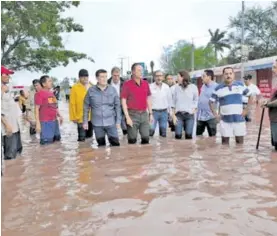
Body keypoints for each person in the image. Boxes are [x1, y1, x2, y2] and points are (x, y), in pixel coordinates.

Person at [209, 67, 252, 145]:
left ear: (233, 75)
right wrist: (216, 115)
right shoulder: (218, 88)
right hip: (225, 121)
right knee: (225, 144)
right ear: (223, 75)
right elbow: (211, 102)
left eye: (230, 73)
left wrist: (246, 110)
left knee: (240, 143)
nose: (228, 75)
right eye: (226, 74)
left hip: (239, 119)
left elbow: (251, 96)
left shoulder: (240, 85)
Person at [83, 69, 121, 147]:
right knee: (101, 146)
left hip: (111, 123)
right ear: (97, 78)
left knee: (115, 146)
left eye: (106, 77)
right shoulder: (91, 91)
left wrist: (118, 121)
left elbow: (117, 106)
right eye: (102, 77)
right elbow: (86, 106)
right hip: (97, 124)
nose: (104, 79)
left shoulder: (112, 90)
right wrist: (85, 121)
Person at [121, 63, 153, 144]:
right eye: (139, 70)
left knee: (146, 139)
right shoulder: (126, 84)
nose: (141, 72)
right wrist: (127, 117)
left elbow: (148, 99)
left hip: (144, 114)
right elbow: (123, 101)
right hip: (132, 114)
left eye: (142, 70)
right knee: (132, 140)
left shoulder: (145, 83)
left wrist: (151, 114)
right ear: (133, 72)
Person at [1, 66, 23, 160]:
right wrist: (6, 125)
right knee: (10, 155)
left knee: (17, 153)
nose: (8, 77)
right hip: (7, 126)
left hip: (15, 125)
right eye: (6, 74)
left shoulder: (8, 86)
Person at [35, 75, 63, 145]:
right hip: (45, 123)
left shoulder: (51, 94)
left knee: (57, 142)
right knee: (47, 145)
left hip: (54, 121)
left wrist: (60, 115)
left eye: (51, 81)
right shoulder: (39, 94)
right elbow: (36, 109)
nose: (51, 82)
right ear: (44, 84)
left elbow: (54, 106)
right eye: (49, 81)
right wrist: (38, 124)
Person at [172, 70, 199, 140]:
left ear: (183, 77)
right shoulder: (176, 88)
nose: (176, 78)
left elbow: (196, 100)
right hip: (178, 115)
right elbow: (173, 102)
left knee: (188, 135)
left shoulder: (193, 87)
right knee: (178, 135)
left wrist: (194, 109)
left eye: (178, 77)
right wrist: (173, 116)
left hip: (189, 115)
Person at [69, 69, 93, 142]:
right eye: (83, 77)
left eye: (86, 76)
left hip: (91, 117)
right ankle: (81, 152)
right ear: (79, 78)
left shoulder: (91, 86)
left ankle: (90, 152)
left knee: (90, 137)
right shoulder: (75, 88)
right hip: (80, 117)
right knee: (82, 139)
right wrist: (73, 117)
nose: (85, 78)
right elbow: (72, 103)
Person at [149, 70, 172, 137]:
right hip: (153, 113)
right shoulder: (150, 87)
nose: (159, 78)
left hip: (164, 113)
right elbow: (147, 101)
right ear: (154, 77)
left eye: (160, 76)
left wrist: (170, 113)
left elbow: (169, 101)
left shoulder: (166, 87)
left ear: (163, 77)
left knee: (163, 134)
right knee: (150, 132)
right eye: (157, 76)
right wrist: (149, 113)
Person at [196, 70, 218, 137]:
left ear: (209, 77)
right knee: (198, 136)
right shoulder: (203, 86)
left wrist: (218, 114)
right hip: (200, 115)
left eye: (203, 76)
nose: (202, 78)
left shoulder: (216, 87)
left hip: (211, 116)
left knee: (212, 137)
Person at [107, 67, 127, 135]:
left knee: (123, 123)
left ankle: (125, 138)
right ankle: (114, 136)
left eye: (118, 75)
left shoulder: (125, 83)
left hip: (122, 105)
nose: (116, 77)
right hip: (111, 106)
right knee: (111, 123)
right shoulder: (107, 83)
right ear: (111, 75)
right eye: (114, 75)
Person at [263, 59, 277, 151]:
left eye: (275, 67)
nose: (272, 69)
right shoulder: (275, 81)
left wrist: (268, 104)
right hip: (274, 118)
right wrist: (267, 101)